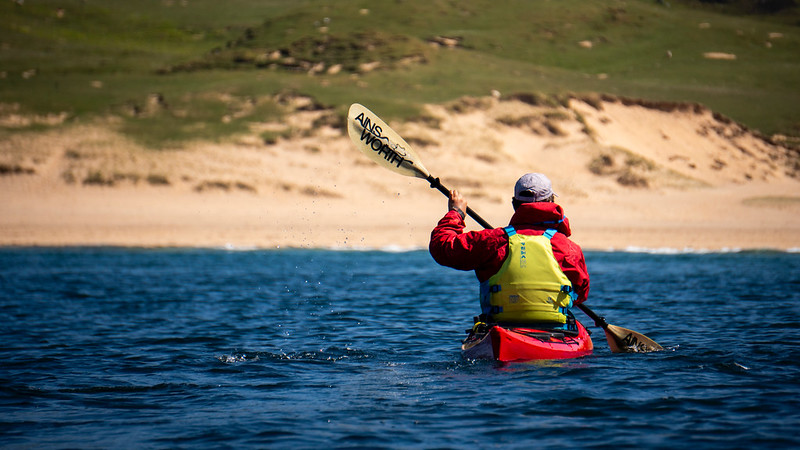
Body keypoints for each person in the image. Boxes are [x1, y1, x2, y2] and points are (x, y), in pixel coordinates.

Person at [429, 173, 590, 330]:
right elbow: (581, 295)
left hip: (501, 330)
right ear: (552, 202)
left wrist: (456, 213)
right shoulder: (569, 249)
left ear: (514, 204)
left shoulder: (492, 241)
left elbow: (442, 247)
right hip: (556, 331)